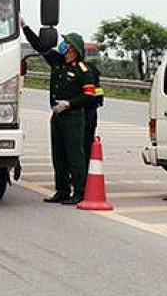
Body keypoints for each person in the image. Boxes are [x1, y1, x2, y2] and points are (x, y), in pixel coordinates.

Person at [22, 19, 100, 205]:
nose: (63, 45)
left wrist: (69, 104)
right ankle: (62, 190)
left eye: (66, 43)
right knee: (58, 155)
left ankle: (79, 191)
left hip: (73, 117)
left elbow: (90, 96)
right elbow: (40, 46)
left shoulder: (84, 71)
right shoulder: (57, 61)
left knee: (75, 155)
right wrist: (25, 27)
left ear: (73, 49)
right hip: (57, 116)